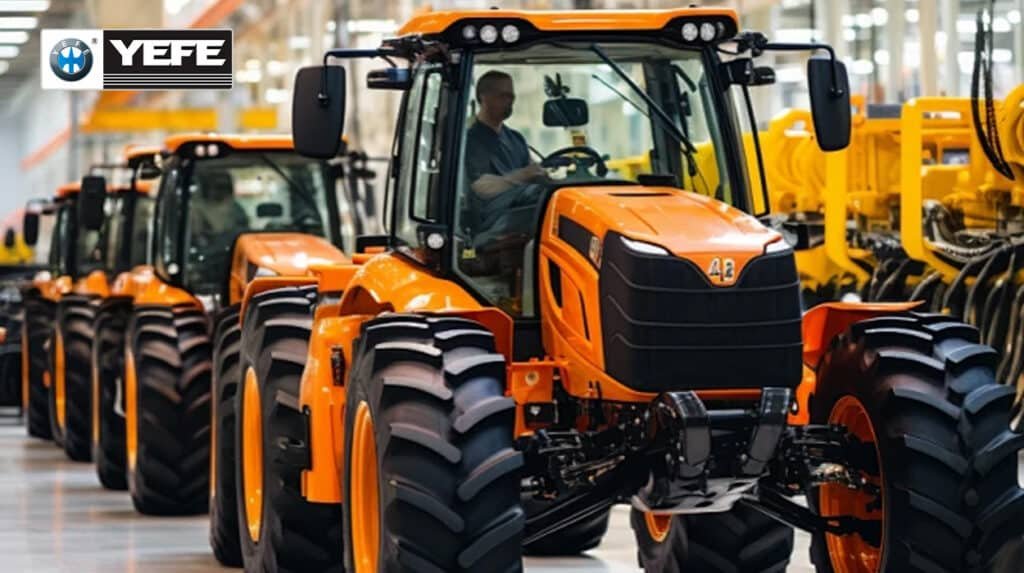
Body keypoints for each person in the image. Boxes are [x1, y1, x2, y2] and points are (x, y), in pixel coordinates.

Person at [464, 70, 547, 199]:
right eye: (503, 96)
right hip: (493, 215)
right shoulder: (470, 140)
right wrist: (523, 175)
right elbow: (481, 188)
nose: (509, 102)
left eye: (511, 97)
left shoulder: (516, 139)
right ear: (483, 97)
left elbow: (533, 171)